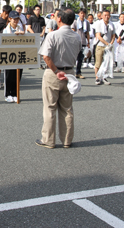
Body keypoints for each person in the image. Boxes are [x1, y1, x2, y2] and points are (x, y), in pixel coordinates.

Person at [36, 8, 81, 149]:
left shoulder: (53, 35)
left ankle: (48, 140)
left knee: (50, 108)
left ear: (59, 19)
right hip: (70, 73)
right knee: (67, 108)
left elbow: (46, 56)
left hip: (53, 72)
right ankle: (67, 140)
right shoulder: (77, 36)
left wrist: (56, 71)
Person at [2, 11, 25, 102]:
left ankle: (15, 94)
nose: (16, 20)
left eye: (17, 19)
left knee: (17, 75)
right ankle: (8, 94)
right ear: (9, 19)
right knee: (9, 75)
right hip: (9, 56)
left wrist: (23, 35)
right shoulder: (6, 30)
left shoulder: (21, 28)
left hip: (19, 55)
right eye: (14, 19)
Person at [94, 9, 115, 85]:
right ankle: (97, 78)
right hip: (100, 46)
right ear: (102, 16)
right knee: (98, 63)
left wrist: (111, 43)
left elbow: (113, 35)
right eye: (105, 15)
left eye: (108, 15)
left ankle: (104, 77)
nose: (106, 17)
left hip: (108, 47)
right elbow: (98, 36)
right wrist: (107, 43)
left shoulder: (111, 24)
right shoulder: (99, 24)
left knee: (106, 63)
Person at [71, 8, 90, 79]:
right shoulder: (75, 22)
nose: (82, 14)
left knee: (80, 58)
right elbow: (72, 31)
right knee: (73, 58)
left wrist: (88, 42)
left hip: (83, 42)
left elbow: (87, 33)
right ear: (78, 14)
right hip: (76, 42)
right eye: (81, 13)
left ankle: (78, 72)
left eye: (83, 13)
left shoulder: (86, 22)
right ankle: (71, 72)